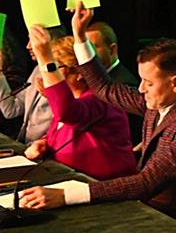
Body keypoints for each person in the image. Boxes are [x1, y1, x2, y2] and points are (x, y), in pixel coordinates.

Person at [17, 8, 176, 230]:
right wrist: (79, 35)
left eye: (149, 83)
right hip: (148, 208)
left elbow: (147, 183)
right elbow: (104, 88)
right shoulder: (168, 97)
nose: (141, 89)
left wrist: (66, 195)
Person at [22, 25, 137, 180]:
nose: (49, 76)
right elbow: (65, 131)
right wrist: (44, 143)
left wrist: (46, 59)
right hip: (70, 180)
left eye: (57, 67)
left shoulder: (101, 100)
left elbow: (67, 113)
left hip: (102, 186)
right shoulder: (75, 97)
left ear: (79, 73)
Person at [0, 35, 53, 151]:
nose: (28, 46)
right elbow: (11, 110)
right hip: (27, 146)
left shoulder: (67, 72)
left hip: (49, 149)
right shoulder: (37, 70)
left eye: (33, 40)